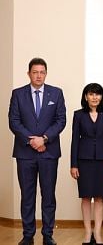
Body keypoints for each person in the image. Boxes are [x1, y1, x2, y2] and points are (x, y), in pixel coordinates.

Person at [8, 57, 66, 245]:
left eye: (42, 72)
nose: (39, 75)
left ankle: (48, 235)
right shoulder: (18, 94)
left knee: (48, 195)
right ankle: (28, 235)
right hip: (25, 154)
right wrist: (32, 140)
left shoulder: (56, 94)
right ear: (29, 74)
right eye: (35, 72)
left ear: (46, 73)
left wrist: (45, 138)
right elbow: (14, 121)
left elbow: (60, 120)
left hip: (49, 153)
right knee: (27, 195)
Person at [70, 83, 103, 245]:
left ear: (101, 97)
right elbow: (75, 140)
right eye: (91, 94)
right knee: (85, 197)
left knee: (99, 198)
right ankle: (87, 233)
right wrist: (73, 164)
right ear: (85, 97)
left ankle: (98, 234)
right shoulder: (78, 115)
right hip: (84, 161)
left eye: (98, 94)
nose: (95, 97)